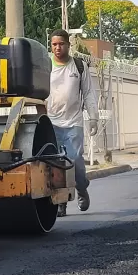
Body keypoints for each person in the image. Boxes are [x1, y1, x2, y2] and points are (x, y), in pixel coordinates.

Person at [47, 29, 99, 217]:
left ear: (68, 45)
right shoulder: (46, 65)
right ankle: (61, 203)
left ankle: (82, 187)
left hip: (73, 122)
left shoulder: (79, 66)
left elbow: (88, 94)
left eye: (61, 44)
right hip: (51, 122)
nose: (57, 47)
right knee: (56, 164)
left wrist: (93, 117)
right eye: (54, 44)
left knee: (75, 161)